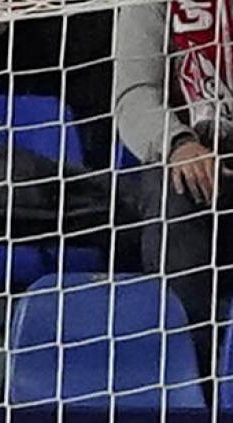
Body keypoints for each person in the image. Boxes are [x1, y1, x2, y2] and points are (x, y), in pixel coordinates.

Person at [115, 1, 233, 377]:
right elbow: (134, 94)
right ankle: (192, 385)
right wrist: (176, 144)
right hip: (196, 148)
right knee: (176, 197)